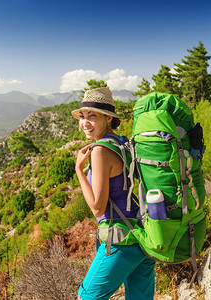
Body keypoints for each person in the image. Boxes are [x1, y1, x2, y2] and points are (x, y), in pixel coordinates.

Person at [72, 87, 155, 300]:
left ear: (108, 118)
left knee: (87, 297)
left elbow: (98, 207)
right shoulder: (121, 143)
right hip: (142, 236)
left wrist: (79, 171)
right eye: (82, 116)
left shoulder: (100, 151)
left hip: (120, 240)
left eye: (92, 116)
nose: (85, 122)